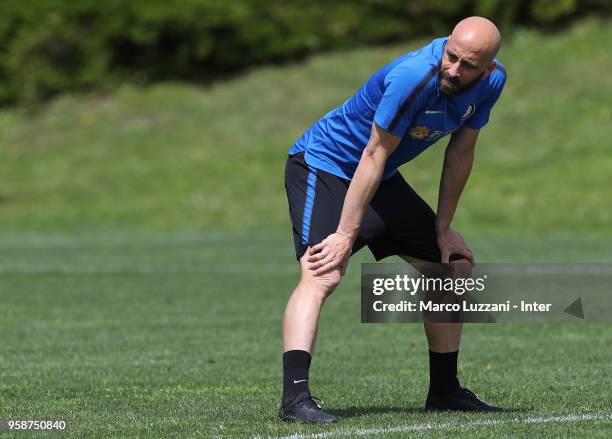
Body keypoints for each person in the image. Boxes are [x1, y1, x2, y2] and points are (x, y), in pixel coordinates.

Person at [280, 16, 506, 423]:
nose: (453, 70)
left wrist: (443, 227)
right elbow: (373, 153)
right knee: (323, 272)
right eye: (451, 57)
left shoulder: (492, 84)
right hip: (326, 165)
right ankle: (295, 400)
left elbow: (460, 154)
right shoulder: (414, 77)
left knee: (450, 268)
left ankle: (445, 391)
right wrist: (345, 235)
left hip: (377, 177)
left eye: (468, 65)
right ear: (446, 44)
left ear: (488, 68)